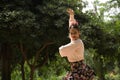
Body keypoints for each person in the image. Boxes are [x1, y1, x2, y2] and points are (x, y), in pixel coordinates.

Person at [59, 8, 95, 80]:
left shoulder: (77, 42)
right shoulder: (73, 41)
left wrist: (60, 49)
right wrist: (71, 15)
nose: (73, 35)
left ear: (79, 33)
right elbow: (71, 25)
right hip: (76, 69)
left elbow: (62, 50)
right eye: (71, 33)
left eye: (75, 33)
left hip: (79, 70)